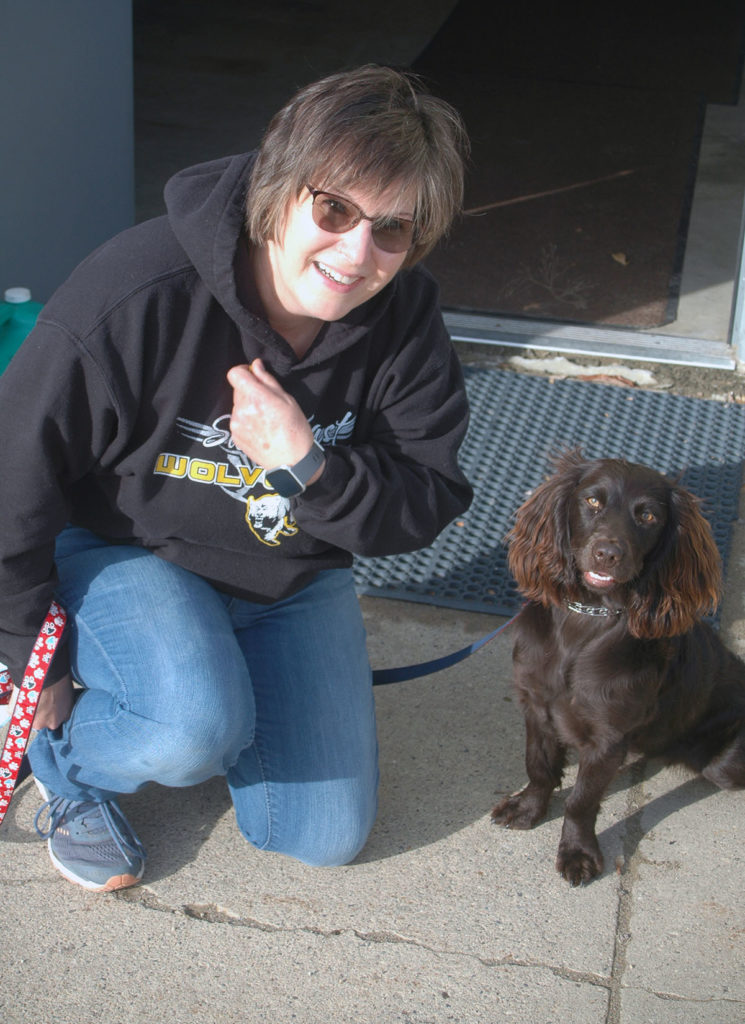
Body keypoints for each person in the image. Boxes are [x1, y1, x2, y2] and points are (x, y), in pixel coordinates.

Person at [0, 64, 472, 892]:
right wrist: (21, 665)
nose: (356, 253)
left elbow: (424, 499)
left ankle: (195, 685)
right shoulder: (135, 289)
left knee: (320, 835)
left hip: (292, 578)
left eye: (392, 230)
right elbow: (12, 476)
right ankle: (70, 765)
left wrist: (308, 468)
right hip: (128, 550)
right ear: (278, 186)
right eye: (334, 210)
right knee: (191, 729)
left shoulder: (406, 319)